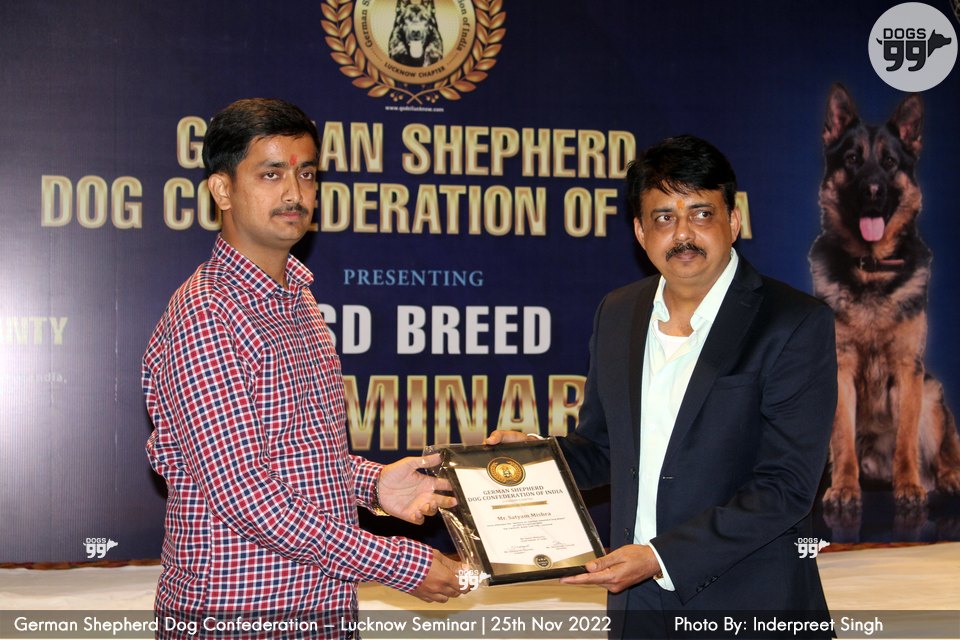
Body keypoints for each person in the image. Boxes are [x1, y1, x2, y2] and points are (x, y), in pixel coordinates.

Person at [488, 135, 837, 638]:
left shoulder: (793, 323)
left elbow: (786, 488)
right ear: (640, 231)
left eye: (701, 214)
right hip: (637, 606)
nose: (683, 234)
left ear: (733, 221)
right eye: (664, 218)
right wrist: (532, 460)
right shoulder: (618, 313)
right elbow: (604, 448)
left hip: (749, 603)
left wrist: (660, 557)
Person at [142, 98, 464, 634]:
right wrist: (398, 564)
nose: (295, 193)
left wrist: (375, 485)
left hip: (322, 609)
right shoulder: (206, 313)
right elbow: (245, 493)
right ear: (222, 190)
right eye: (271, 174)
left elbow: (294, 458)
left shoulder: (301, 301)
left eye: (307, 174)